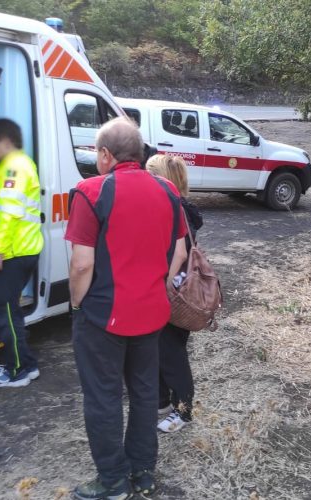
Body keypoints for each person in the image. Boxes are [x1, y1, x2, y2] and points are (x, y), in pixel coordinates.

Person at [66, 117, 188, 500]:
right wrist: (160, 290)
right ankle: (143, 473)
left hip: (103, 317)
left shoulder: (90, 191)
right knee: (144, 392)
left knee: (102, 397)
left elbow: (81, 264)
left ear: (105, 155)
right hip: (151, 315)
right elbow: (180, 251)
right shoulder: (168, 191)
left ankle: (113, 481)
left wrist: (76, 303)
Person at [0, 119, 44, 389]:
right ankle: (25, 363)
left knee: (3, 312)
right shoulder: (8, 166)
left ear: (5, 140)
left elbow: (10, 214)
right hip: (14, 252)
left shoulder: (14, 167)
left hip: (12, 253)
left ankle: (17, 370)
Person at [145, 154, 203, 433]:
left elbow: (178, 253)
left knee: (172, 352)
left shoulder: (174, 208)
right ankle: (162, 401)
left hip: (175, 292)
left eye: (150, 174)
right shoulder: (177, 205)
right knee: (161, 348)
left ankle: (184, 410)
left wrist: (165, 285)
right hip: (175, 288)